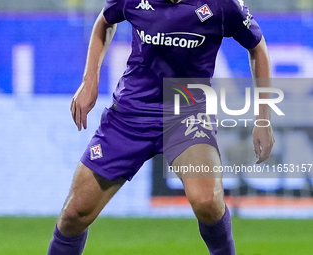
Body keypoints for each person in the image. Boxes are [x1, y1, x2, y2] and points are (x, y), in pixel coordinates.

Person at [47, 0, 274, 254]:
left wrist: (263, 119)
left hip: (187, 112)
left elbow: (258, 48)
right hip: (130, 114)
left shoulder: (222, 5)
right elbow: (104, 21)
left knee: (208, 202)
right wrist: (90, 80)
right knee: (74, 214)